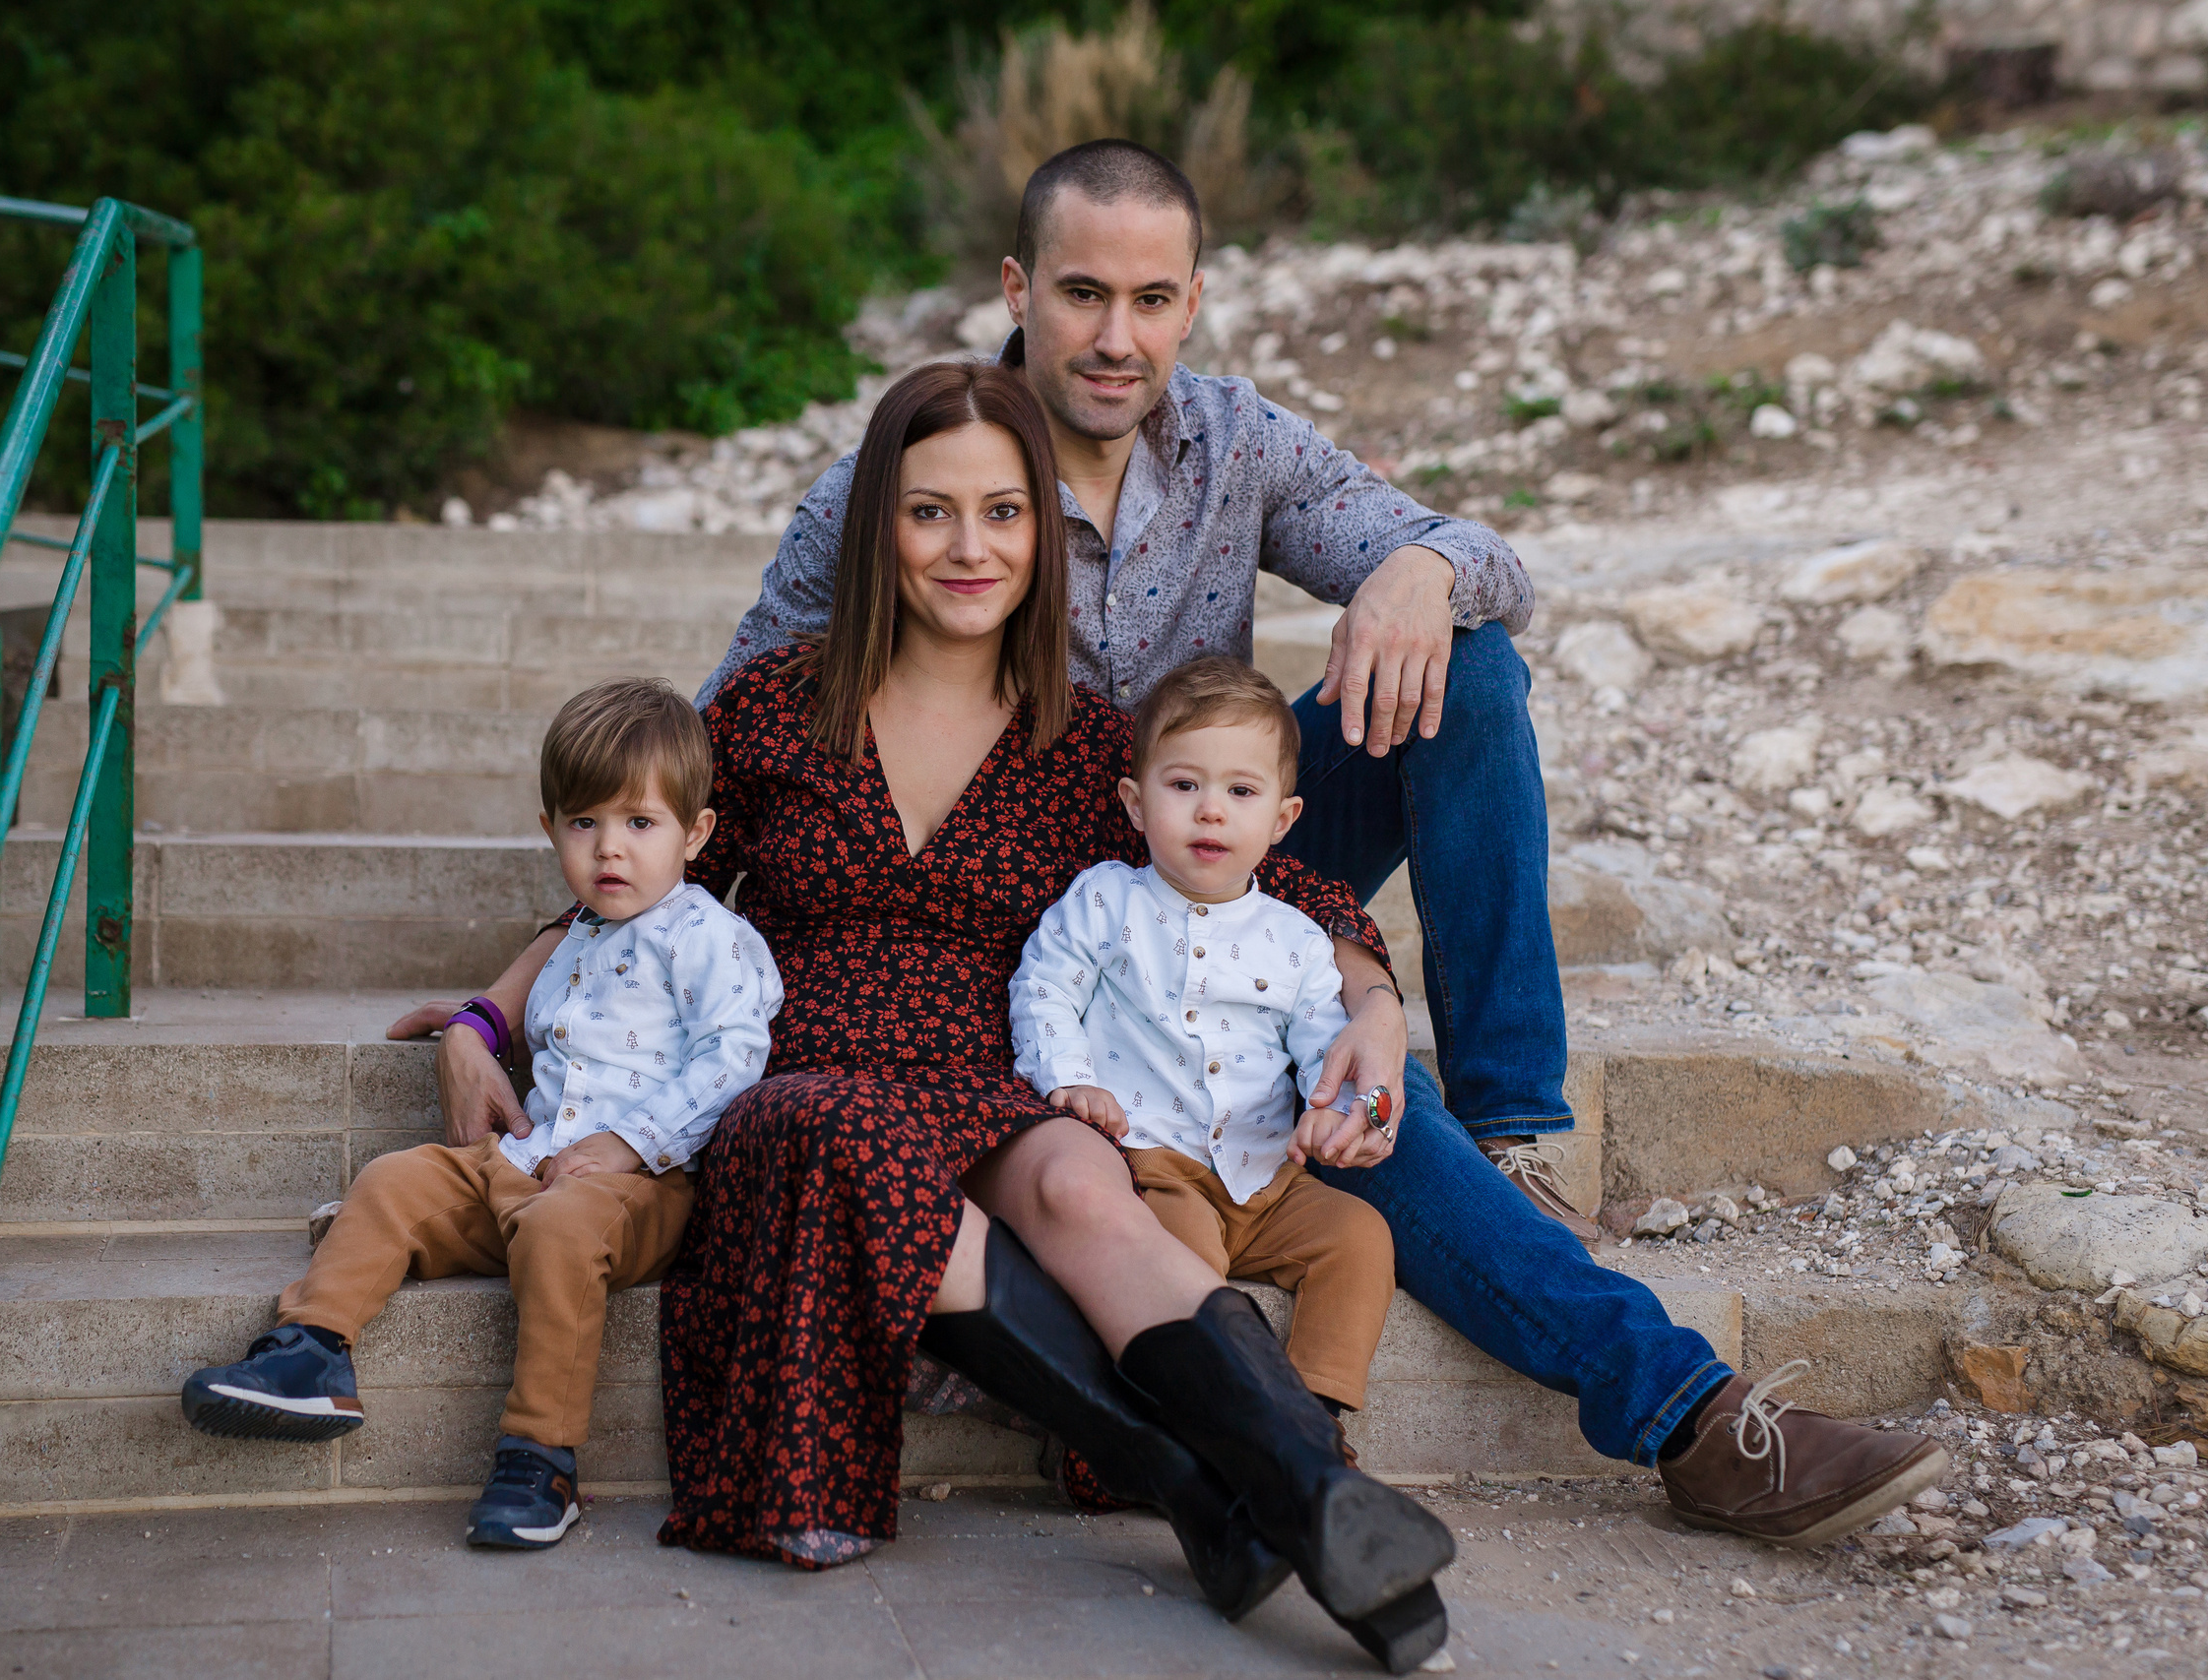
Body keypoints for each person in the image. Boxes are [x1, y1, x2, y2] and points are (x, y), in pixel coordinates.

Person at [673, 138, 1949, 1546]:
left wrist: (1414, 569)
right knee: (1317, 1082)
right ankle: (1677, 1403)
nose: (1117, 337)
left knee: (1465, 669)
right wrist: (547, 971)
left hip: (1217, 843)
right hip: (1036, 916)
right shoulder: (918, 475)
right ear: (1017, 288)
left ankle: (1515, 1125)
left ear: (1195, 301)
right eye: (1084, 294)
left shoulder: (1232, 441)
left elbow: (1487, 560)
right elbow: (709, 765)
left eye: (1153, 299)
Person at [678, 358, 1454, 1669]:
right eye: (930, 512)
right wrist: (487, 1028)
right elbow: (641, 882)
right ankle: (1213, 1481)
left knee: (1088, 1184)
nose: (968, 546)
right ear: (878, 526)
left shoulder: (1081, 739)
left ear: (1043, 531)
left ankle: (1316, 1489)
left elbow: (1288, 881)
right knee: (851, 1127)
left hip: (993, 1072)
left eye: (1001, 511)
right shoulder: (769, 709)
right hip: (801, 1085)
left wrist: (1373, 996)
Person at [182, 679, 781, 1554]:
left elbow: (733, 1057)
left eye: (640, 824)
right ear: (551, 830)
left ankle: (540, 1457)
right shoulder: (575, 934)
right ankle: (310, 1350)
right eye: (584, 824)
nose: (610, 849)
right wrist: (476, 1024)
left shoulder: (710, 936)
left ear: (696, 833)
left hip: (639, 1191)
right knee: (396, 1178)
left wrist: (629, 1143)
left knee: (562, 1232)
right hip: (525, 1163)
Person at [1011, 654, 1397, 1424]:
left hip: (1267, 1174)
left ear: (1282, 820)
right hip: (1154, 1166)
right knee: (1187, 1259)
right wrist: (1069, 1078)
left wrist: (1342, 1106)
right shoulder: (1104, 900)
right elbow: (1043, 988)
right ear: (1134, 801)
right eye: (1184, 785)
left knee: (1359, 1236)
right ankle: (1217, 1418)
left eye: (1240, 791)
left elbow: (1328, 1039)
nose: (1210, 811)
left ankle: (1310, 1414)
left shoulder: (1296, 939)